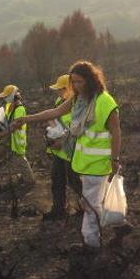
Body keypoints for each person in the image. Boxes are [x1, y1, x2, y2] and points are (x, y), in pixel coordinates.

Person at [10, 61, 121, 249]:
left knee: (90, 205)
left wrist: (115, 159)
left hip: (99, 162)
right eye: (74, 83)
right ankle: (119, 225)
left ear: (90, 80)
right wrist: (26, 119)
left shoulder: (105, 101)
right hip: (83, 161)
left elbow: (116, 131)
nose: (76, 86)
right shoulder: (78, 99)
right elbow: (54, 112)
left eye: (79, 82)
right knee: (90, 202)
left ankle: (91, 243)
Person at [42, 74, 83, 221]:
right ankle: (59, 209)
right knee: (57, 179)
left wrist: (61, 141)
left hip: (72, 151)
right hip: (59, 151)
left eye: (61, 89)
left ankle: (88, 208)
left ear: (69, 88)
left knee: (75, 181)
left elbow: (77, 129)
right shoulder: (59, 101)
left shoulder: (78, 104)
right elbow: (55, 121)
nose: (58, 92)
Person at [0, 84, 35, 187]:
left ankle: (30, 180)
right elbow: (5, 120)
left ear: (12, 96)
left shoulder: (20, 109)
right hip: (7, 136)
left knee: (19, 159)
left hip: (15, 138)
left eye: (6, 96)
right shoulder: (7, 106)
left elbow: (15, 125)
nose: (4, 98)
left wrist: (2, 133)